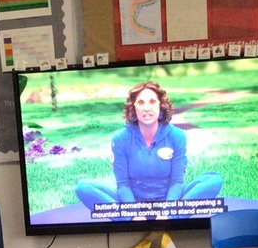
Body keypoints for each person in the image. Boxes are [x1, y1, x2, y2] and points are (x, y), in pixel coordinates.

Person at [74, 81, 223, 218]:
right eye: (141, 102)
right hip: (132, 202)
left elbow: (177, 182)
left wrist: (167, 212)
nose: (147, 108)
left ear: (161, 106)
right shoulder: (120, 138)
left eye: (152, 102)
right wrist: (135, 213)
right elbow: (122, 184)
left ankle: (171, 218)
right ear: (134, 108)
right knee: (83, 187)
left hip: (169, 202)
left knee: (214, 180)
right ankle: (131, 219)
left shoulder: (177, 136)